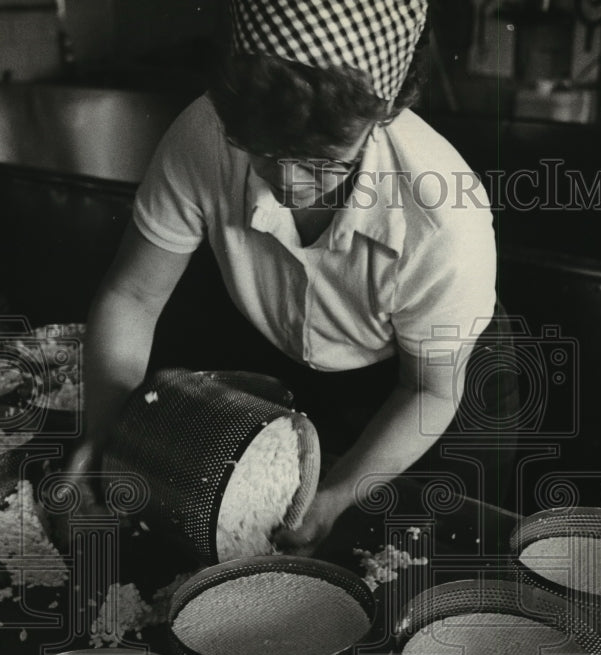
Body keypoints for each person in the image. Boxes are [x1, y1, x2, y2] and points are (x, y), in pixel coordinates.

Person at [75, 0, 518, 554]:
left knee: (418, 563)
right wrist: (103, 433)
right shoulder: (205, 134)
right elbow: (134, 295)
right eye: (261, 152)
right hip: (303, 356)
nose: (289, 183)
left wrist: (333, 499)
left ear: (376, 120)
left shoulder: (444, 219)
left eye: (321, 160)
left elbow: (429, 389)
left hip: (437, 387)